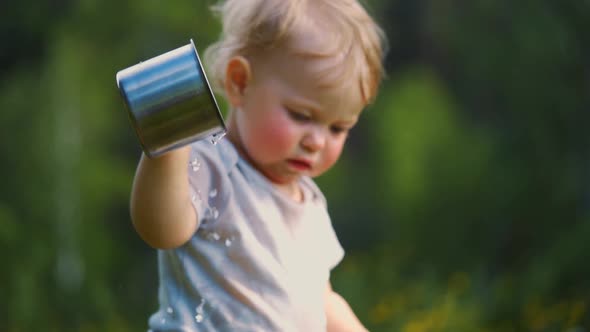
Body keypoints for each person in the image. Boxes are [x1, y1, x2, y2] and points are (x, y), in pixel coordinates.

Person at [130, 0, 386, 330]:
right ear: (240, 83)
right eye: (301, 116)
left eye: (337, 128)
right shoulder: (213, 164)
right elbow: (163, 228)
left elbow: (320, 300)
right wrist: (168, 145)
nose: (317, 142)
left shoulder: (309, 205)